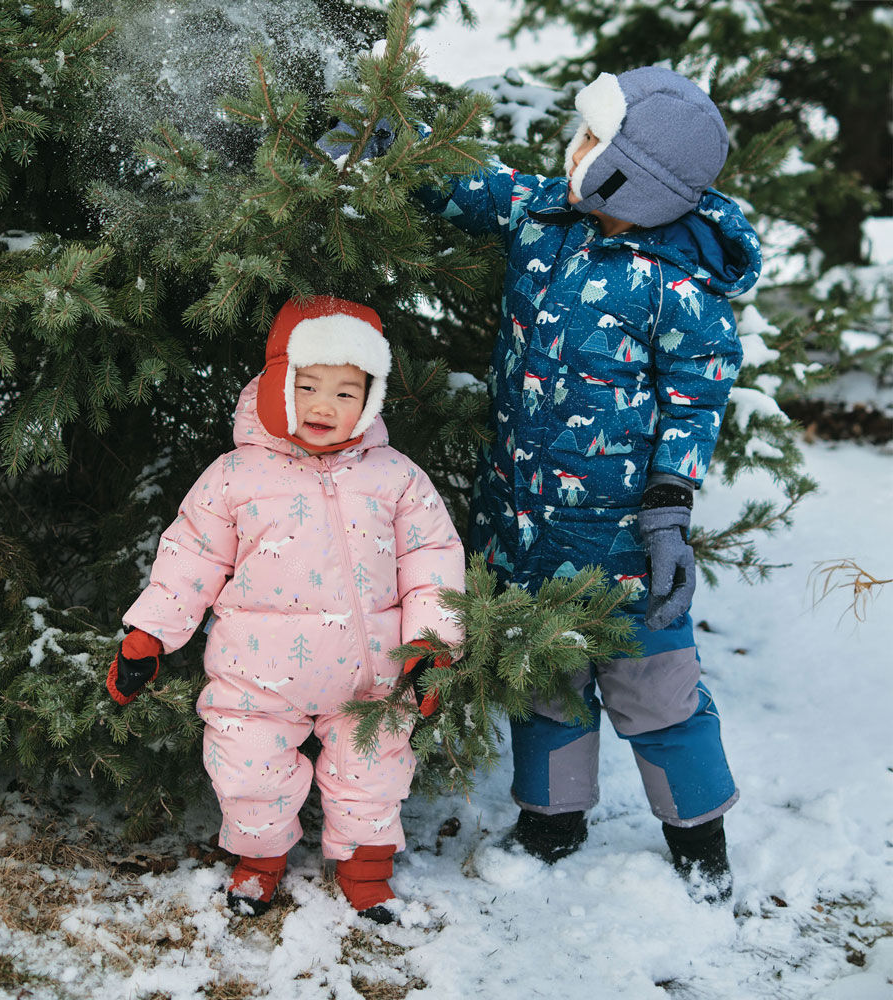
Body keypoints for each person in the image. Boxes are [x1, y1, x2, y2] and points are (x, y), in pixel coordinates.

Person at [409, 66, 762, 902]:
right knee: (543, 679)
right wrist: (395, 155)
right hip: (525, 522)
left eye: (592, 140)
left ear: (627, 174)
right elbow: (474, 188)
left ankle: (698, 838)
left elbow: (695, 399)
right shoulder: (544, 215)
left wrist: (670, 509)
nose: (573, 149)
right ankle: (552, 820)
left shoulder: (679, 282)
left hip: (627, 545)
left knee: (659, 691)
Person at [106, 296, 465, 923]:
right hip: (256, 679)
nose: (326, 407)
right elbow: (189, 558)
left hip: (372, 681)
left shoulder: (396, 477)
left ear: (372, 398)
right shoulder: (234, 476)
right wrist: (149, 637)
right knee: (246, 771)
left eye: (348, 393)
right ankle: (259, 862)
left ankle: (367, 869)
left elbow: (431, 561)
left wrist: (433, 646)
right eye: (308, 387)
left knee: (374, 772)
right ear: (279, 384)